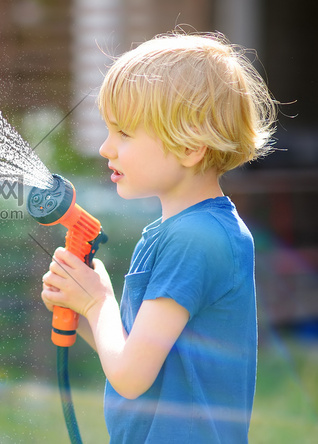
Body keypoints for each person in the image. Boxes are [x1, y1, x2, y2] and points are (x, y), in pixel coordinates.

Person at [41, 32, 278, 442]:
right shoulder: (185, 232)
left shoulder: (195, 240)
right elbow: (145, 358)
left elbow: (131, 378)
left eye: (125, 133)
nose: (105, 148)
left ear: (191, 147)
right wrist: (81, 312)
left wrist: (98, 303)